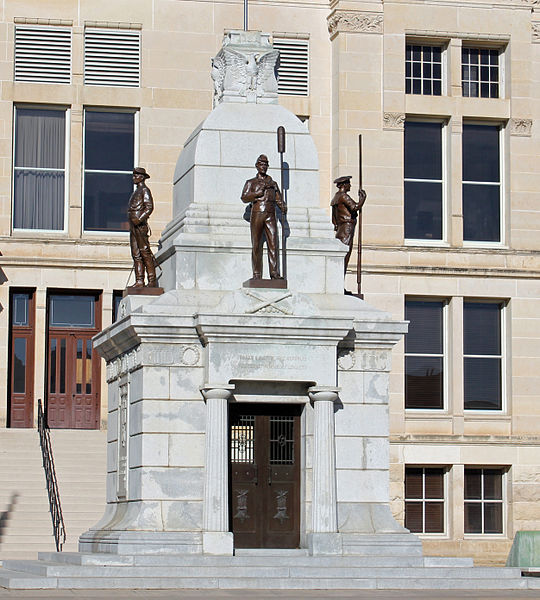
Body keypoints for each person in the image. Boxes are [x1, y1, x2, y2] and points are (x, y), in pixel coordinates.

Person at [241, 154, 286, 280]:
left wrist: (282, 206)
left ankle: (274, 273)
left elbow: (278, 199)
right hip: (257, 214)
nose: (263, 167)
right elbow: (244, 197)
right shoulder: (251, 182)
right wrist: (256, 194)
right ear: (257, 166)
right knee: (256, 245)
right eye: (261, 164)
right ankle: (257, 273)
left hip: (271, 215)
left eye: (265, 164)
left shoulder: (273, 183)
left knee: (273, 243)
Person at [331, 175, 367, 274]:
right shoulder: (343, 196)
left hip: (341, 228)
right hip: (347, 227)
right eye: (348, 184)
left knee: (342, 255)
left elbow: (333, 218)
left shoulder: (336, 197)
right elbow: (355, 207)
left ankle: (339, 282)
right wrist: (363, 199)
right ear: (344, 185)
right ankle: (339, 283)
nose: (350, 186)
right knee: (345, 254)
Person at [128, 167, 157, 287]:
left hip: (140, 226)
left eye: (136, 175)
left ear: (142, 177)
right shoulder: (136, 191)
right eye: (134, 175)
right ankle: (139, 280)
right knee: (136, 254)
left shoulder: (145, 190)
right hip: (133, 226)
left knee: (144, 252)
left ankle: (151, 280)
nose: (134, 177)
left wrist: (139, 219)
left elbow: (149, 207)